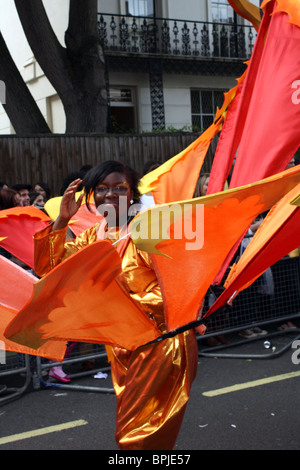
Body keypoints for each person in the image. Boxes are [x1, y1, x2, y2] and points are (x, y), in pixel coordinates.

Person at [33, 160, 198, 450]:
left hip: (160, 342)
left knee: (136, 434)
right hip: (121, 346)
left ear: (132, 193)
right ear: (91, 195)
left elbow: (178, 288)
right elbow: (49, 268)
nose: (110, 194)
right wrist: (62, 220)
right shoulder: (92, 236)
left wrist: (120, 308)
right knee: (136, 427)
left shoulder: (148, 230)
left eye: (119, 188)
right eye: (102, 189)